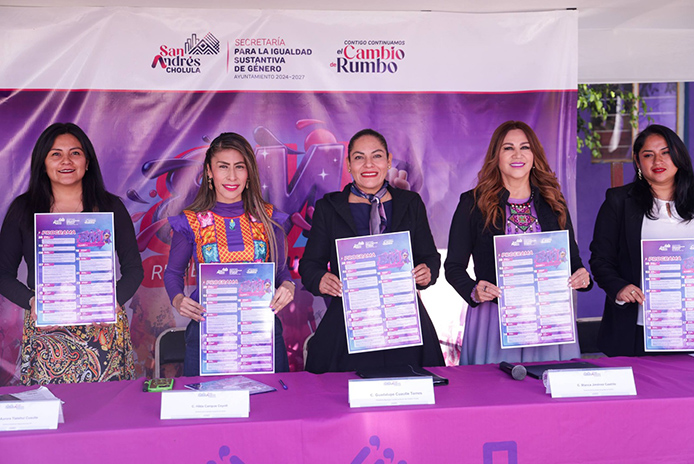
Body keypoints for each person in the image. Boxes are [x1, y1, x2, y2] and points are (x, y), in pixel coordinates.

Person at [0, 122, 144, 384]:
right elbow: (2, 274)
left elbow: (134, 269)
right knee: (52, 407)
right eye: (55, 154)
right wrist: (31, 301)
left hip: (103, 330)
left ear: (87, 162)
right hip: (47, 330)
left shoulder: (110, 206)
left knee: (107, 406)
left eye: (75, 153)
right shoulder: (23, 209)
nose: (66, 161)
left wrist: (114, 300)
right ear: (43, 163)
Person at [445, 121, 591, 365]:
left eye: (525, 147)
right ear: (496, 156)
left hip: (549, 318)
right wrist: (474, 291)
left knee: (547, 385)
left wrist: (582, 277)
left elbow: (573, 261)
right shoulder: (473, 203)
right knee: (495, 387)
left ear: (534, 155)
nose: (517, 155)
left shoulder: (553, 201)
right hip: (494, 320)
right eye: (508, 148)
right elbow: (453, 267)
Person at [299, 128, 444, 373]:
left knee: (413, 388)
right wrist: (320, 279)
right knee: (338, 389)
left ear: (388, 161)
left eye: (376, 156)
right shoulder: (329, 207)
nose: (368, 164)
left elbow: (429, 256)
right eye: (359, 157)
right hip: (348, 322)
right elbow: (309, 265)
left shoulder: (410, 203)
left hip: (405, 321)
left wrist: (427, 271)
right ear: (348, 164)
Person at [164, 132, 293, 375]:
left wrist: (288, 286)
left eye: (239, 167)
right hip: (207, 332)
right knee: (208, 399)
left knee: (270, 399)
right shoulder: (191, 221)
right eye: (223, 167)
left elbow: (281, 272)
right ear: (209, 172)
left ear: (249, 172)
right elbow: (173, 273)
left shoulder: (268, 218)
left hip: (261, 332)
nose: (232, 176)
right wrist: (178, 299)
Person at [590, 124, 694, 356]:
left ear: (678, 155)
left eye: (666, 152)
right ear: (638, 162)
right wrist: (619, 288)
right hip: (639, 328)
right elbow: (601, 259)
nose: (658, 161)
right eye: (648, 155)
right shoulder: (618, 201)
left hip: (689, 324)